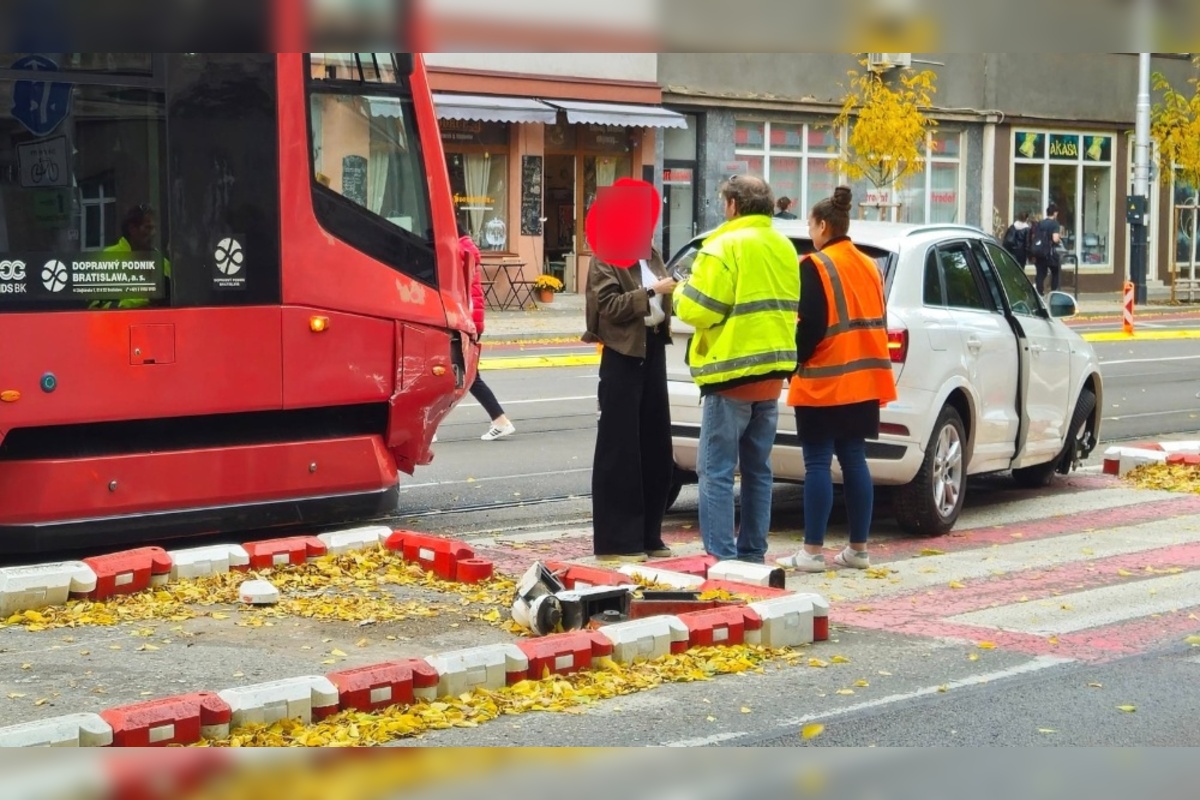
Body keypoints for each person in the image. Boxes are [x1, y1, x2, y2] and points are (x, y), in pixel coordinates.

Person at [672, 175, 800, 564]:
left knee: (716, 472)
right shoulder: (784, 245)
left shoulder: (722, 245)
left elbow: (699, 308)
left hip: (730, 375)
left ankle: (722, 558)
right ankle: (753, 556)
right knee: (759, 471)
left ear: (733, 206)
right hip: (772, 374)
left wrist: (679, 292)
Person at [776, 186, 897, 573]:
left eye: (811, 225)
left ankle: (812, 552)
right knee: (854, 459)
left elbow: (808, 327)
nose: (810, 232)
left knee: (816, 464)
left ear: (824, 225)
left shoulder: (814, 266)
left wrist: (792, 363)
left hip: (825, 380)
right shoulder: (870, 266)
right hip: (865, 380)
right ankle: (858, 549)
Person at [582, 245, 677, 563]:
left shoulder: (650, 253)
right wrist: (652, 289)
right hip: (622, 352)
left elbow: (663, 299)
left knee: (656, 446)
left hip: (652, 347)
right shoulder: (607, 256)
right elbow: (609, 305)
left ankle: (649, 533)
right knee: (620, 448)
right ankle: (617, 541)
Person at [460, 225, 517, 441]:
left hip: (467, 320)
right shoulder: (466, 247)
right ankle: (499, 420)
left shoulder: (459, 250)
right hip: (471, 319)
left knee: (468, 375)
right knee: (461, 374)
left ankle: (500, 420)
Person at [91, 204, 171, 310]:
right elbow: (94, 307)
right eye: (148, 228)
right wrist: (135, 303)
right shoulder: (107, 258)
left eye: (154, 228)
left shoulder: (162, 262)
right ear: (132, 229)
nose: (153, 233)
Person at [1032, 203, 1063, 294]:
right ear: (1055, 213)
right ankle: (1053, 293)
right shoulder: (1055, 224)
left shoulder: (1040, 223)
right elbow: (1055, 238)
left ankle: (1039, 293)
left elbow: (1035, 236)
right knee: (1055, 271)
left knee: (1040, 273)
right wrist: (1059, 240)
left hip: (1039, 251)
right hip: (1049, 253)